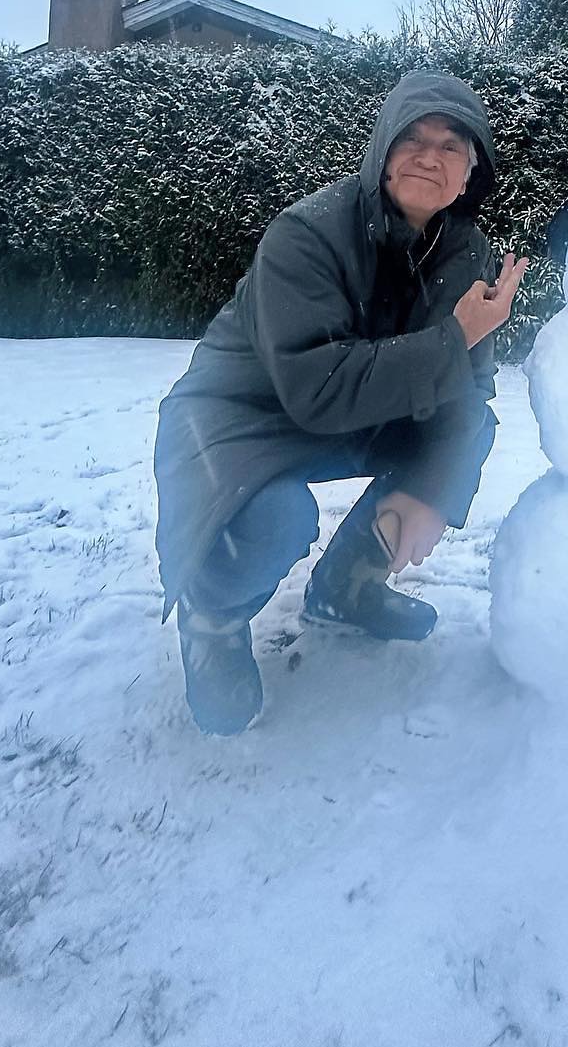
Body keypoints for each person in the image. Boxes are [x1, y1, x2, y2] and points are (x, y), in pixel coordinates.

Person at [152, 70, 528, 734]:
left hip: (341, 413)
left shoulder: (468, 254)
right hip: (235, 420)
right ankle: (212, 616)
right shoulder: (308, 233)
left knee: (464, 433)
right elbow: (317, 389)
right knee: (277, 516)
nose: (428, 155)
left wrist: (431, 484)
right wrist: (458, 336)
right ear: (382, 148)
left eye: (450, 145)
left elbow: (468, 392)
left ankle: (346, 587)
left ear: (471, 174)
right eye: (412, 137)